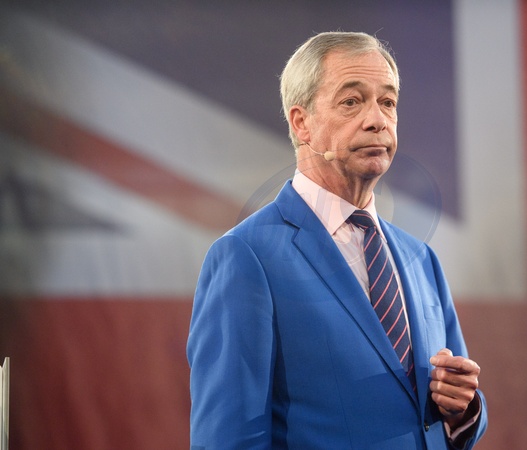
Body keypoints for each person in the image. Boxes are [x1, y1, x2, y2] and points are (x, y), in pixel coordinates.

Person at [187, 31, 487, 449]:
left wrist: (462, 411)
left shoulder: (421, 258)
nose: (377, 120)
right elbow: (228, 438)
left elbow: (441, 411)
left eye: (388, 102)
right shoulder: (246, 257)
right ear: (301, 123)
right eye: (351, 101)